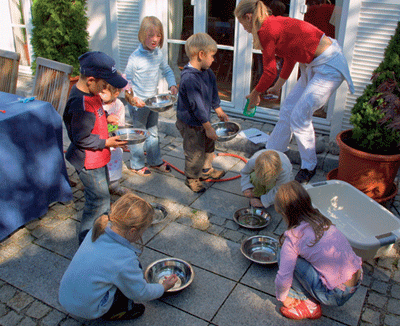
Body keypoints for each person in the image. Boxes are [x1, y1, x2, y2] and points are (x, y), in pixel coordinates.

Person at [234, 0, 354, 184]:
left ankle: (309, 166)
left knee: (299, 116)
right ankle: (271, 153)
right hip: (313, 65)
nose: (244, 29)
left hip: (329, 66)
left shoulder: (266, 30)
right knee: (288, 108)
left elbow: (269, 71)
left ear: (248, 17)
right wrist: (278, 85)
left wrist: (255, 93)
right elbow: (290, 56)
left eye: (243, 24)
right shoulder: (273, 24)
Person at [59, 193, 178, 321]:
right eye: (142, 232)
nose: (141, 236)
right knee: (129, 275)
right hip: (89, 309)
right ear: (132, 231)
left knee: (120, 274)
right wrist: (163, 287)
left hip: (65, 298)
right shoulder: (124, 259)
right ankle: (119, 311)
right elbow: (140, 292)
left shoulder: (99, 227)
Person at [63, 51, 129, 244]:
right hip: (88, 162)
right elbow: (81, 137)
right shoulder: (79, 103)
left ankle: (100, 233)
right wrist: (106, 143)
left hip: (98, 158)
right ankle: (86, 243)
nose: (105, 90)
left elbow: (94, 116)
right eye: (104, 85)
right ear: (91, 80)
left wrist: (106, 118)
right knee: (97, 202)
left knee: (102, 196)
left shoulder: (92, 94)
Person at [274, 181, 363, 320]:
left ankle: (310, 306)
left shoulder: (293, 238)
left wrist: (283, 297)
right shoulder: (322, 220)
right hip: (356, 280)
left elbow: (283, 278)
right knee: (306, 253)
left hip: (336, 295)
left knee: (282, 254)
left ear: (283, 213)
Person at [124, 16, 178, 176]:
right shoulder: (135, 57)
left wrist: (172, 84)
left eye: (158, 35)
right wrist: (133, 99)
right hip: (138, 103)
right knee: (139, 134)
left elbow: (167, 69)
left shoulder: (158, 54)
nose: (155, 39)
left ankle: (155, 161)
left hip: (152, 102)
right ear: (142, 35)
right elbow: (126, 81)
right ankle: (136, 164)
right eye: (150, 35)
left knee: (153, 131)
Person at [175, 32, 229, 193]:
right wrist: (208, 127)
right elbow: (196, 106)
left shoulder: (207, 72)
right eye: (212, 56)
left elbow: (213, 92)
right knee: (194, 152)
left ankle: (206, 171)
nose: (214, 59)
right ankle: (192, 178)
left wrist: (217, 108)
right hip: (191, 123)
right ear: (201, 54)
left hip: (203, 120)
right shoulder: (190, 79)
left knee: (208, 145)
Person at [99, 82, 129, 196]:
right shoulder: (97, 102)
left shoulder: (119, 105)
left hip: (113, 141)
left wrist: (121, 140)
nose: (100, 94)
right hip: (100, 141)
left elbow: (119, 126)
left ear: (116, 93)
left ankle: (114, 186)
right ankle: (97, 187)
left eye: (103, 92)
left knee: (114, 164)